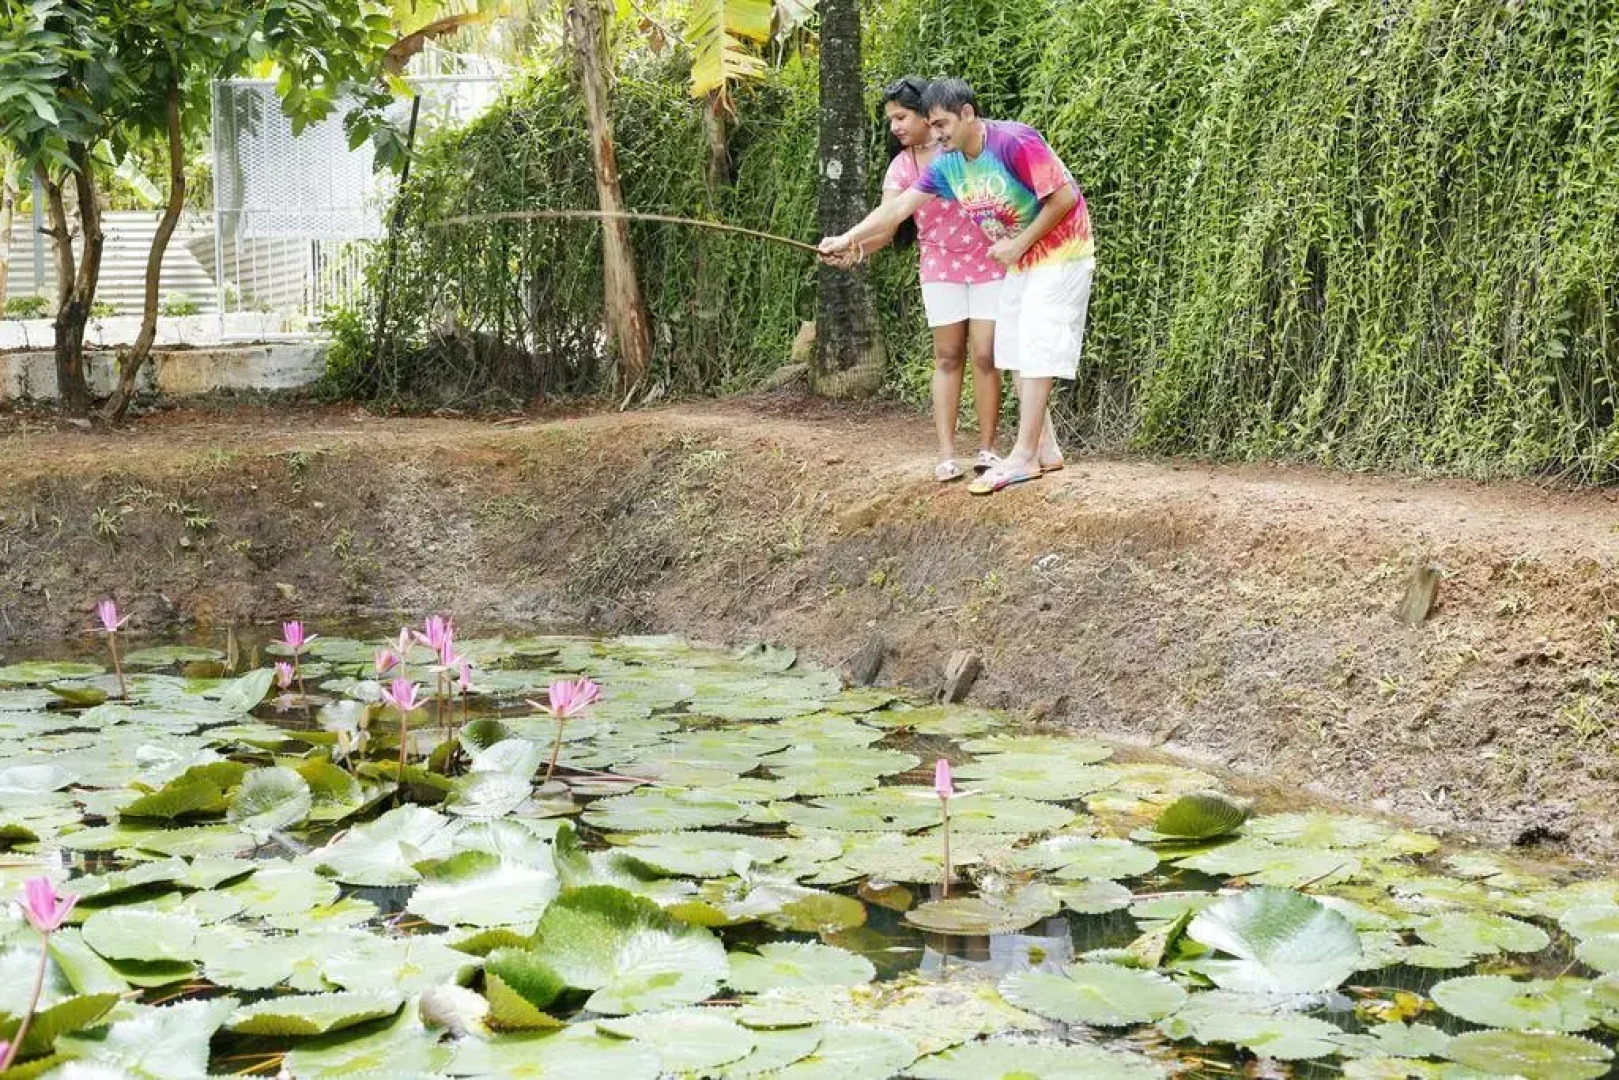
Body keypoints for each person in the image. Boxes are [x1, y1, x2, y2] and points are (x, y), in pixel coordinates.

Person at [820, 78, 1094, 494]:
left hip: (1062, 253)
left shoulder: (1014, 142)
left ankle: (1023, 456)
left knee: (1037, 347)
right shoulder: (947, 165)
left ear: (967, 114)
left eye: (942, 124)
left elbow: (1065, 198)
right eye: (932, 126)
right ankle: (1046, 449)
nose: (937, 134)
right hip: (1023, 259)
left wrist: (1018, 243)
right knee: (1014, 350)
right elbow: (898, 208)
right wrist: (847, 239)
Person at [829, 76, 1005, 482]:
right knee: (947, 356)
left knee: (985, 354)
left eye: (901, 117)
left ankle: (988, 450)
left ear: (928, 116)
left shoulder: (958, 149)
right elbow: (888, 222)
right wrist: (853, 248)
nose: (895, 127)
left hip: (989, 261)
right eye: (891, 120)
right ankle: (946, 454)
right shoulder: (902, 167)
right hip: (939, 267)